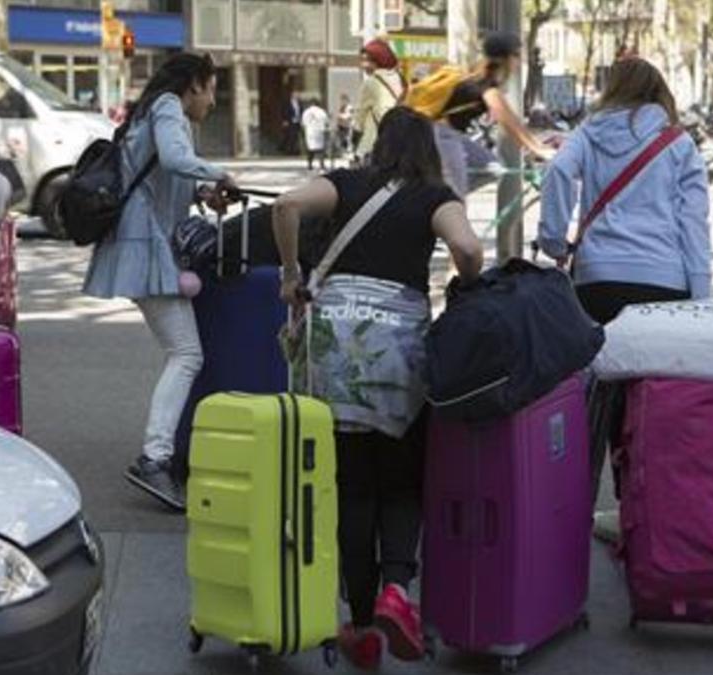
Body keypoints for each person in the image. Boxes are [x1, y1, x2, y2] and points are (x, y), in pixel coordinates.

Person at [271, 107, 483, 670]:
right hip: (395, 352)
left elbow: (285, 204)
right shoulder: (436, 195)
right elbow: (467, 250)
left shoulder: (345, 182)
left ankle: (362, 626)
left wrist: (292, 275)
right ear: (427, 150)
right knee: (400, 478)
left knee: (351, 484)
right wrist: (469, 283)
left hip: (333, 350)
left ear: (378, 141)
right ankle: (397, 590)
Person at [536, 57, 710, 506]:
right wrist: (701, 295)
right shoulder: (678, 143)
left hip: (598, 280)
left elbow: (556, 172)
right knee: (655, 405)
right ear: (659, 91)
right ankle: (645, 516)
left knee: (595, 399)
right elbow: (694, 224)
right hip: (664, 283)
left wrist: (554, 242)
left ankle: (579, 509)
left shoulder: (590, 132)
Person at [83, 53, 236, 512]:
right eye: (211, 88)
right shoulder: (169, 105)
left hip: (143, 241)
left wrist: (201, 192)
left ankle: (157, 456)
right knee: (187, 353)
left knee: (183, 352)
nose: (212, 99)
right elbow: (173, 158)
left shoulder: (153, 108)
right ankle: (154, 459)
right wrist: (217, 174)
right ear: (193, 85)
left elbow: (161, 174)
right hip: (144, 244)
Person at [431, 31, 553, 197]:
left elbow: (514, 121)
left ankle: (439, 198)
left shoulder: (486, 81)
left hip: (450, 134)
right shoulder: (485, 85)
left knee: (492, 168)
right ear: (505, 59)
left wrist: (538, 146)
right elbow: (507, 121)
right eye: (516, 55)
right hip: (441, 136)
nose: (519, 61)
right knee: (455, 195)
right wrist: (537, 150)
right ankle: (443, 202)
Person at [354, 39, 405, 161]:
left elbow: (360, 116)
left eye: (368, 61)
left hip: (375, 145)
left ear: (379, 60)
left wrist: (355, 138)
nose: (363, 65)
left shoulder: (371, 83)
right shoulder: (401, 79)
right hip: (400, 144)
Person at [301, 98, 330, 171]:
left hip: (310, 131)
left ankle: (309, 164)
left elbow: (303, 123)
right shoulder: (321, 112)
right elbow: (326, 121)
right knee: (320, 149)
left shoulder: (306, 112)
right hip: (319, 131)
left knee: (310, 149)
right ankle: (321, 164)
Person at [335, 93, 355, 159]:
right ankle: (343, 153)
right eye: (341, 100)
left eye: (343, 100)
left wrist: (340, 116)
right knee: (341, 140)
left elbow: (349, 116)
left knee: (347, 140)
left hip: (347, 126)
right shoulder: (341, 107)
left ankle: (348, 153)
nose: (342, 102)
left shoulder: (349, 107)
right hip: (341, 126)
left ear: (346, 100)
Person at [283, 91, 303, 155]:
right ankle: (289, 150)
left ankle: (296, 150)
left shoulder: (299, 103)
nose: (298, 96)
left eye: (298, 94)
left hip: (297, 122)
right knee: (291, 136)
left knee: (296, 136)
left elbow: (301, 111)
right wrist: (285, 120)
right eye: (296, 94)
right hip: (290, 122)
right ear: (293, 95)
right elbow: (285, 111)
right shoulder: (288, 103)